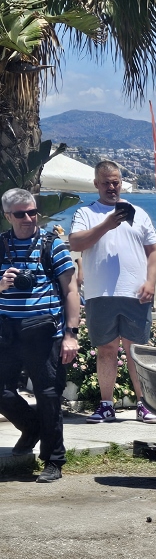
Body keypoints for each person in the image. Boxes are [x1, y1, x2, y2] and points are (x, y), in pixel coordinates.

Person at [68, 160, 156, 425]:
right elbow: (75, 243)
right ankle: (106, 405)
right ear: (96, 184)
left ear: (121, 183)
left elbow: (155, 251)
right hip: (100, 293)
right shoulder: (86, 213)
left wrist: (151, 282)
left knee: (136, 351)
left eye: (116, 182)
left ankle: (144, 405)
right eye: (106, 183)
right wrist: (106, 225)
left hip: (136, 293)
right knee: (106, 349)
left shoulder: (139, 213)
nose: (112, 187)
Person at [0, 188, 81, 482]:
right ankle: (31, 427)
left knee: (48, 395)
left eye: (33, 212)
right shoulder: (1, 245)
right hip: (7, 333)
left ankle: (54, 460)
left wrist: (71, 334)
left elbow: (71, 291)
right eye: (20, 214)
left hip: (44, 333)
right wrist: (1, 284)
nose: (28, 218)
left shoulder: (52, 245)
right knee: (2, 391)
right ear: (8, 216)